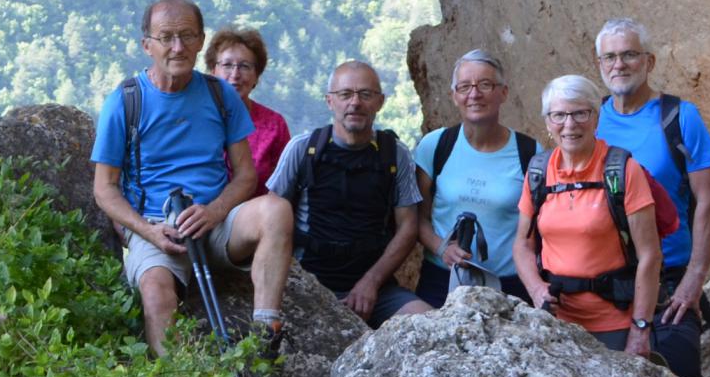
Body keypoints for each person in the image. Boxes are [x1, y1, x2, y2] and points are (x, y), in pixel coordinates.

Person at [90, 0, 297, 377]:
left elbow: (245, 175)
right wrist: (147, 230)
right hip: (156, 225)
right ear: (147, 44)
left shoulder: (221, 96)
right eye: (166, 37)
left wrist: (216, 210)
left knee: (276, 210)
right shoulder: (126, 101)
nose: (178, 47)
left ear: (201, 40)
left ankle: (264, 344)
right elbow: (104, 189)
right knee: (155, 290)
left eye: (187, 36)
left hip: (214, 221)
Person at [593, 18, 710, 377]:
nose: (619, 65)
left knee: (679, 374)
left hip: (670, 280)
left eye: (629, 55)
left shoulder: (679, 117)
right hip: (605, 281)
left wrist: (695, 279)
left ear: (649, 62)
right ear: (599, 65)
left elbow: (708, 201)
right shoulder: (588, 123)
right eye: (610, 57)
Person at [514, 74, 664, 360]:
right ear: (547, 123)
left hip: (615, 325)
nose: (569, 125)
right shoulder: (538, 172)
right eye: (559, 115)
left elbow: (650, 255)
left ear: (596, 118)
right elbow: (522, 243)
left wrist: (641, 328)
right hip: (556, 324)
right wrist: (535, 290)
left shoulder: (622, 171)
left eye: (580, 113)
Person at [265, 61, 425, 326]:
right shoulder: (304, 149)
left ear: (380, 102)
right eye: (345, 94)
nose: (355, 102)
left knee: (428, 323)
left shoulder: (395, 154)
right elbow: (270, 216)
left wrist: (371, 282)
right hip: (307, 282)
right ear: (330, 101)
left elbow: (408, 227)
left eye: (365, 94)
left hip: (376, 286)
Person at [410, 49, 535, 307]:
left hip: (508, 284)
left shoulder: (529, 153)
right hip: (442, 279)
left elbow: (538, 227)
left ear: (504, 92)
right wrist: (442, 248)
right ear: (453, 96)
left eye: (485, 85)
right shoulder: (435, 146)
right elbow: (417, 217)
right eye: (465, 87)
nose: (474, 94)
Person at [204, 26, 291, 183]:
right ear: (212, 71)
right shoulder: (195, 118)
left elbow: (285, 185)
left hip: (258, 206)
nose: (235, 74)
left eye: (244, 66)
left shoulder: (274, 125)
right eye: (227, 65)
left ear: (256, 76)